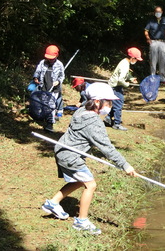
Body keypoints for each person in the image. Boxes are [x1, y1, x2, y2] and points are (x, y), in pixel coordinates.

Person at [41, 83, 137, 235]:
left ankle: (52, 203)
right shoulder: (94, 122)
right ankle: (81, 221)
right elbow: (106, 147)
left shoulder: (81, 111)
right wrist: (125, 165)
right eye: (109, 102)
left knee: (80, 180)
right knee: (90, 185)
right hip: (70, 156)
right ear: (97, 102)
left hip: (62, 150)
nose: (110, 106)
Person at [104, 47, 143, 131]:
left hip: (114, 85)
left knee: (115, 103)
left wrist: (131, 78)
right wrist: (127, 84)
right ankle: (117, 124)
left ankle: (108, 118)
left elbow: (125, 74)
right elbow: (120, 79)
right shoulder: (125, 65)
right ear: (132, 58)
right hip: (115, 87)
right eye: (136, 59)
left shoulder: (124, 61)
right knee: (119, 104)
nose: (136, 61)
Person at [33, 45, 65, 132]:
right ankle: (43, 117)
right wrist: (36, 77)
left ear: (56, 56)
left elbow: (62, 76)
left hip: (54, 89)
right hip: (43, 87)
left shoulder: (59, 65)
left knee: (51, 105)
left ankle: (50, 124)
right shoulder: (43, 62)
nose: (50, 60)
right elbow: (38, 71)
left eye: (52, 58)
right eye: (49, 58)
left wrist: (58, 82)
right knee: (43, 104)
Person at [144, 6, 165, 82]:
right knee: (153, 60)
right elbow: (146, 31)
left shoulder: (164, 20)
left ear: (162, 12)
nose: (158, 13)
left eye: (159, 12)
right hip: (154, 42)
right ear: (154, 12)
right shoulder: (151, 21)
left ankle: (162, 77)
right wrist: (148, 39)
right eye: (156, 11)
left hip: (163, 42)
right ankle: (152, 76)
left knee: (163, 60)